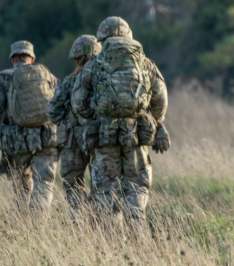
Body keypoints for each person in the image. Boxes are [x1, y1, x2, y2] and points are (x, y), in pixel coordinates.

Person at [71, 16, 170, 228]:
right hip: (137, 138)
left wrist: (96, 117)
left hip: (105, 137)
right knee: (136, 188)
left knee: (107, 192)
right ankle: (138, 241)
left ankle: (111, 247)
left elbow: (78, 101)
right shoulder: (145, 62)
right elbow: (161, 98)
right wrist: (152, 120)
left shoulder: (94, 64)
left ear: (102, 39)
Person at [0, 40, 59, 216]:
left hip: (17, 142)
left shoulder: (3, 78)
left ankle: (22, 224)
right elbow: (60, 105)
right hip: (47, 139)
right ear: (32, 58)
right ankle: (37, 227)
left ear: (12, 58)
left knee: (21, 185)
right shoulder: (47, 75)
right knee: (44, 184)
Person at [47, 35, 101, 216]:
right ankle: (99, 225)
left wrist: (68, 120)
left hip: (73, 140)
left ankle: (79, 227)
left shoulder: (70, 80)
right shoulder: (104, 79)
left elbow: (52, 112)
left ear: (80, 58)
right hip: (100, 138)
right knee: (101, 186)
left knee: (73, 186)